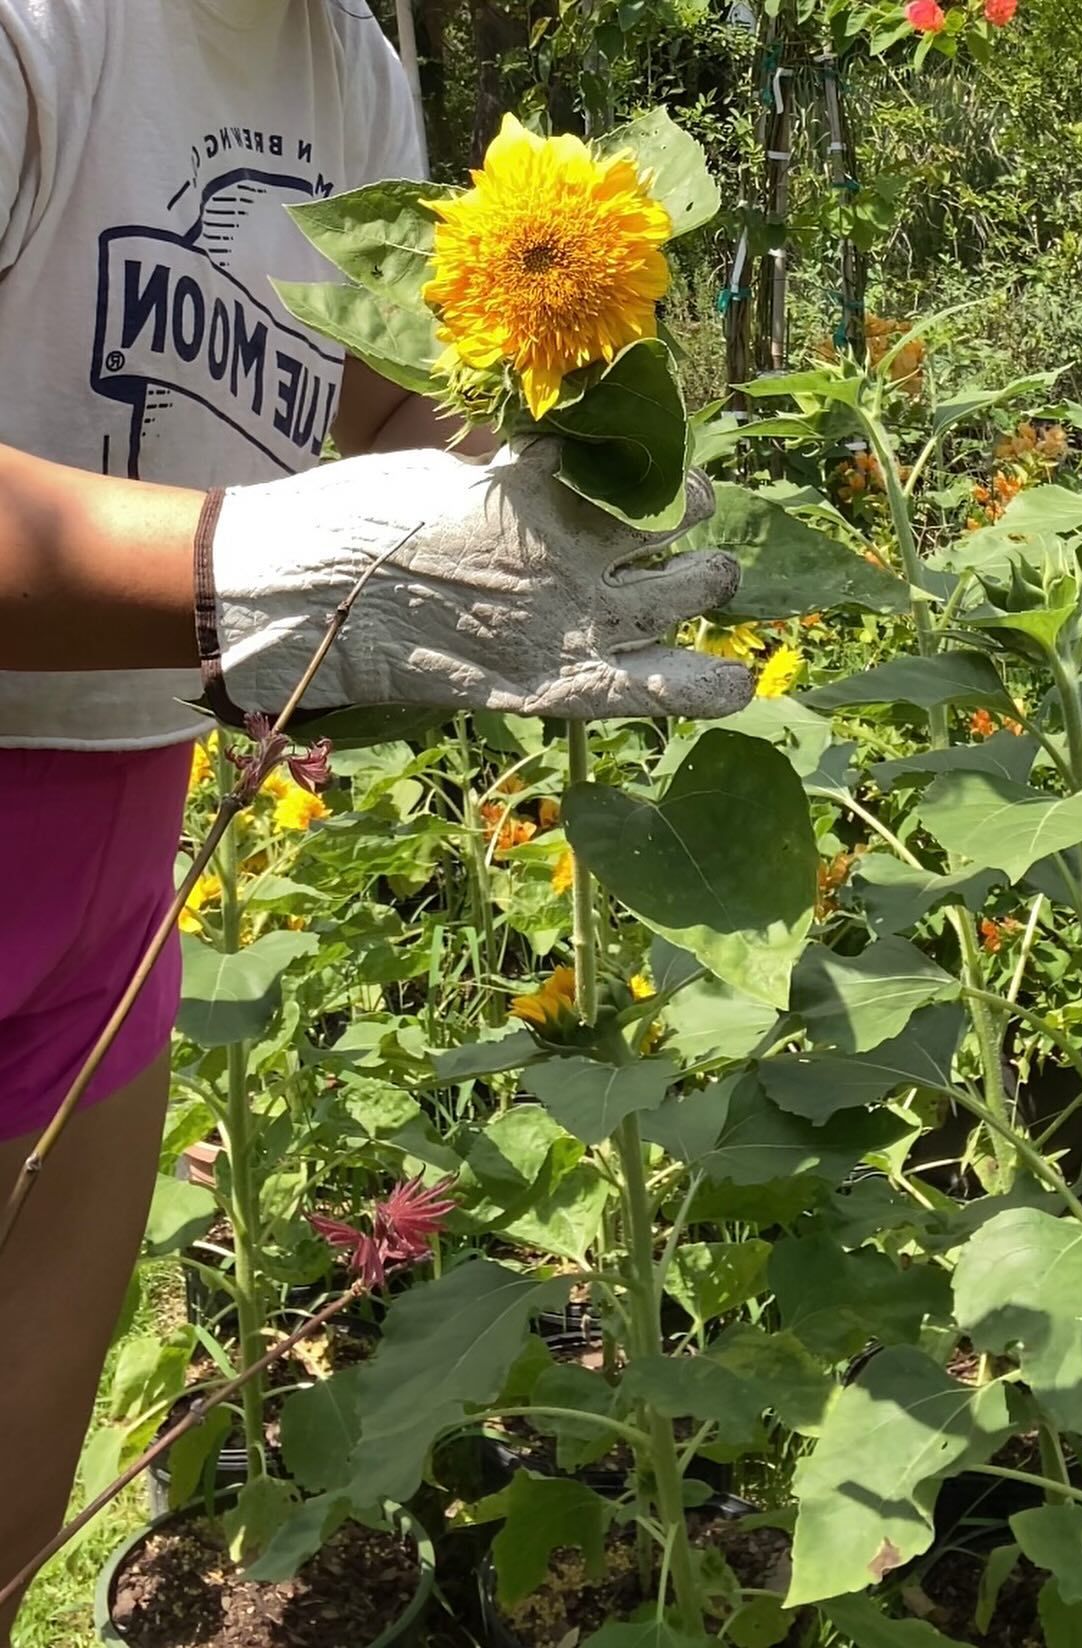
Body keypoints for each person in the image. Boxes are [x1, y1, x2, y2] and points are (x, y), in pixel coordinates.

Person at [0, 2, 746, 1634]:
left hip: (124, 826)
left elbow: (368, 406)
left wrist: (543, 466)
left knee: (7, 1506)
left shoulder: (348, 63)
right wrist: (230, 570)